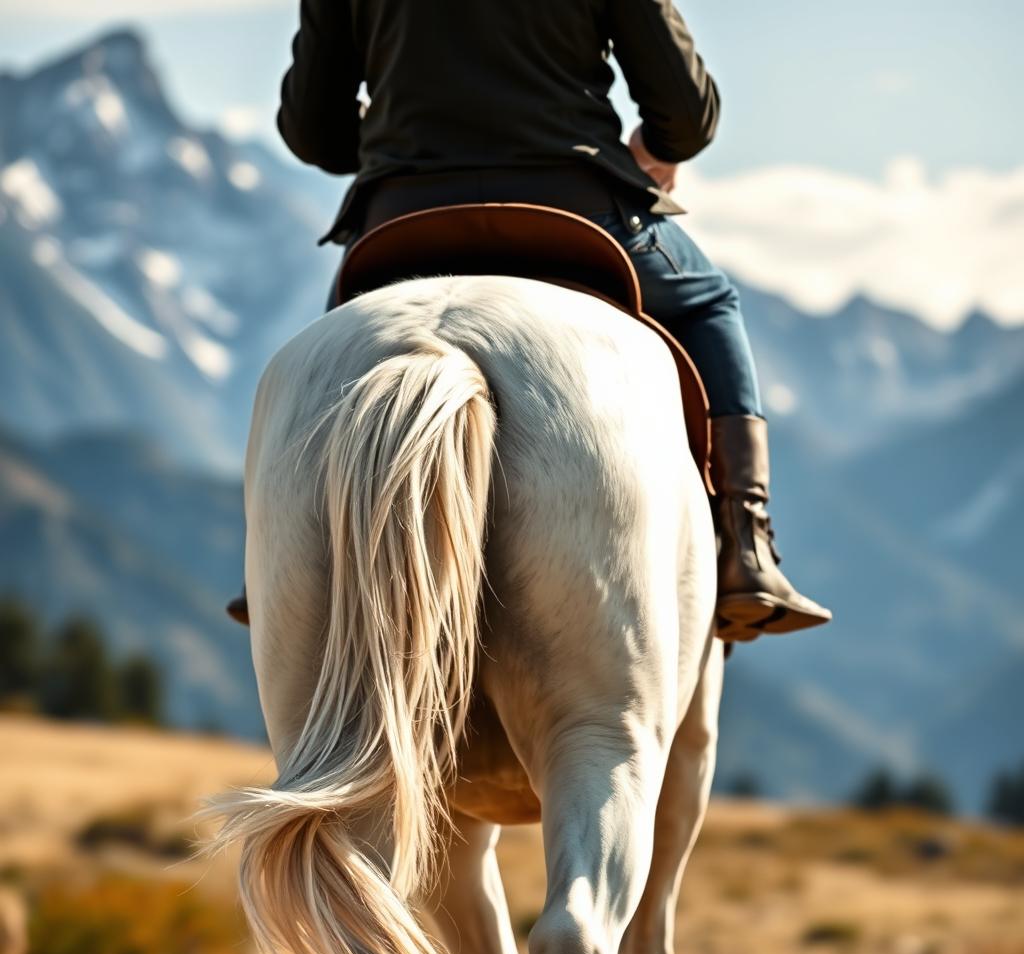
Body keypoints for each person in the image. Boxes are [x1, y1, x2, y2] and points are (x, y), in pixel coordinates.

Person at [227, 0, 831, 641]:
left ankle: (278, 558)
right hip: (574, 206)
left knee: (333, 360)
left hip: (401, 218)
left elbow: (312, 132)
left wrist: (402, 135)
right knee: (709, 302)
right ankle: (745, 542)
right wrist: (654, 147)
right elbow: (685, 114)